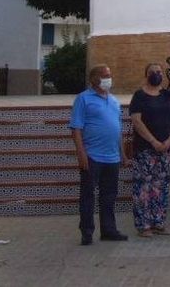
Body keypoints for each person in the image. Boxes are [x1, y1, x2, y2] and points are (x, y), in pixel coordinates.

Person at [69, 65, 127, 245]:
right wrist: (81, 153)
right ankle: (87, 232)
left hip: (112, 157)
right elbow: (76, 128)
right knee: (88, 195)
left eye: (109, 75)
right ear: (94, 79)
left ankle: (108, 230)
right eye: (104, 76)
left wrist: (122, 153)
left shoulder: (114, 100)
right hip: (93, 156)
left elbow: (118, 129)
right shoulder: (83, 99)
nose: (108, 79)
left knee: (109, 195)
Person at [127, 62, 170, 237]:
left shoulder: (168, 94)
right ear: (146, 75)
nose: (157, 74)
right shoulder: (139, 96)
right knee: (144, 187)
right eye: (152, 72)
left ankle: (159, 222)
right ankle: (144, 225)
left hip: (166, 149)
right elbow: (136, 120)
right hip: (145, 150)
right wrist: (153, 141)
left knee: (161, 186)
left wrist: (169, 140)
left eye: (159, 72)